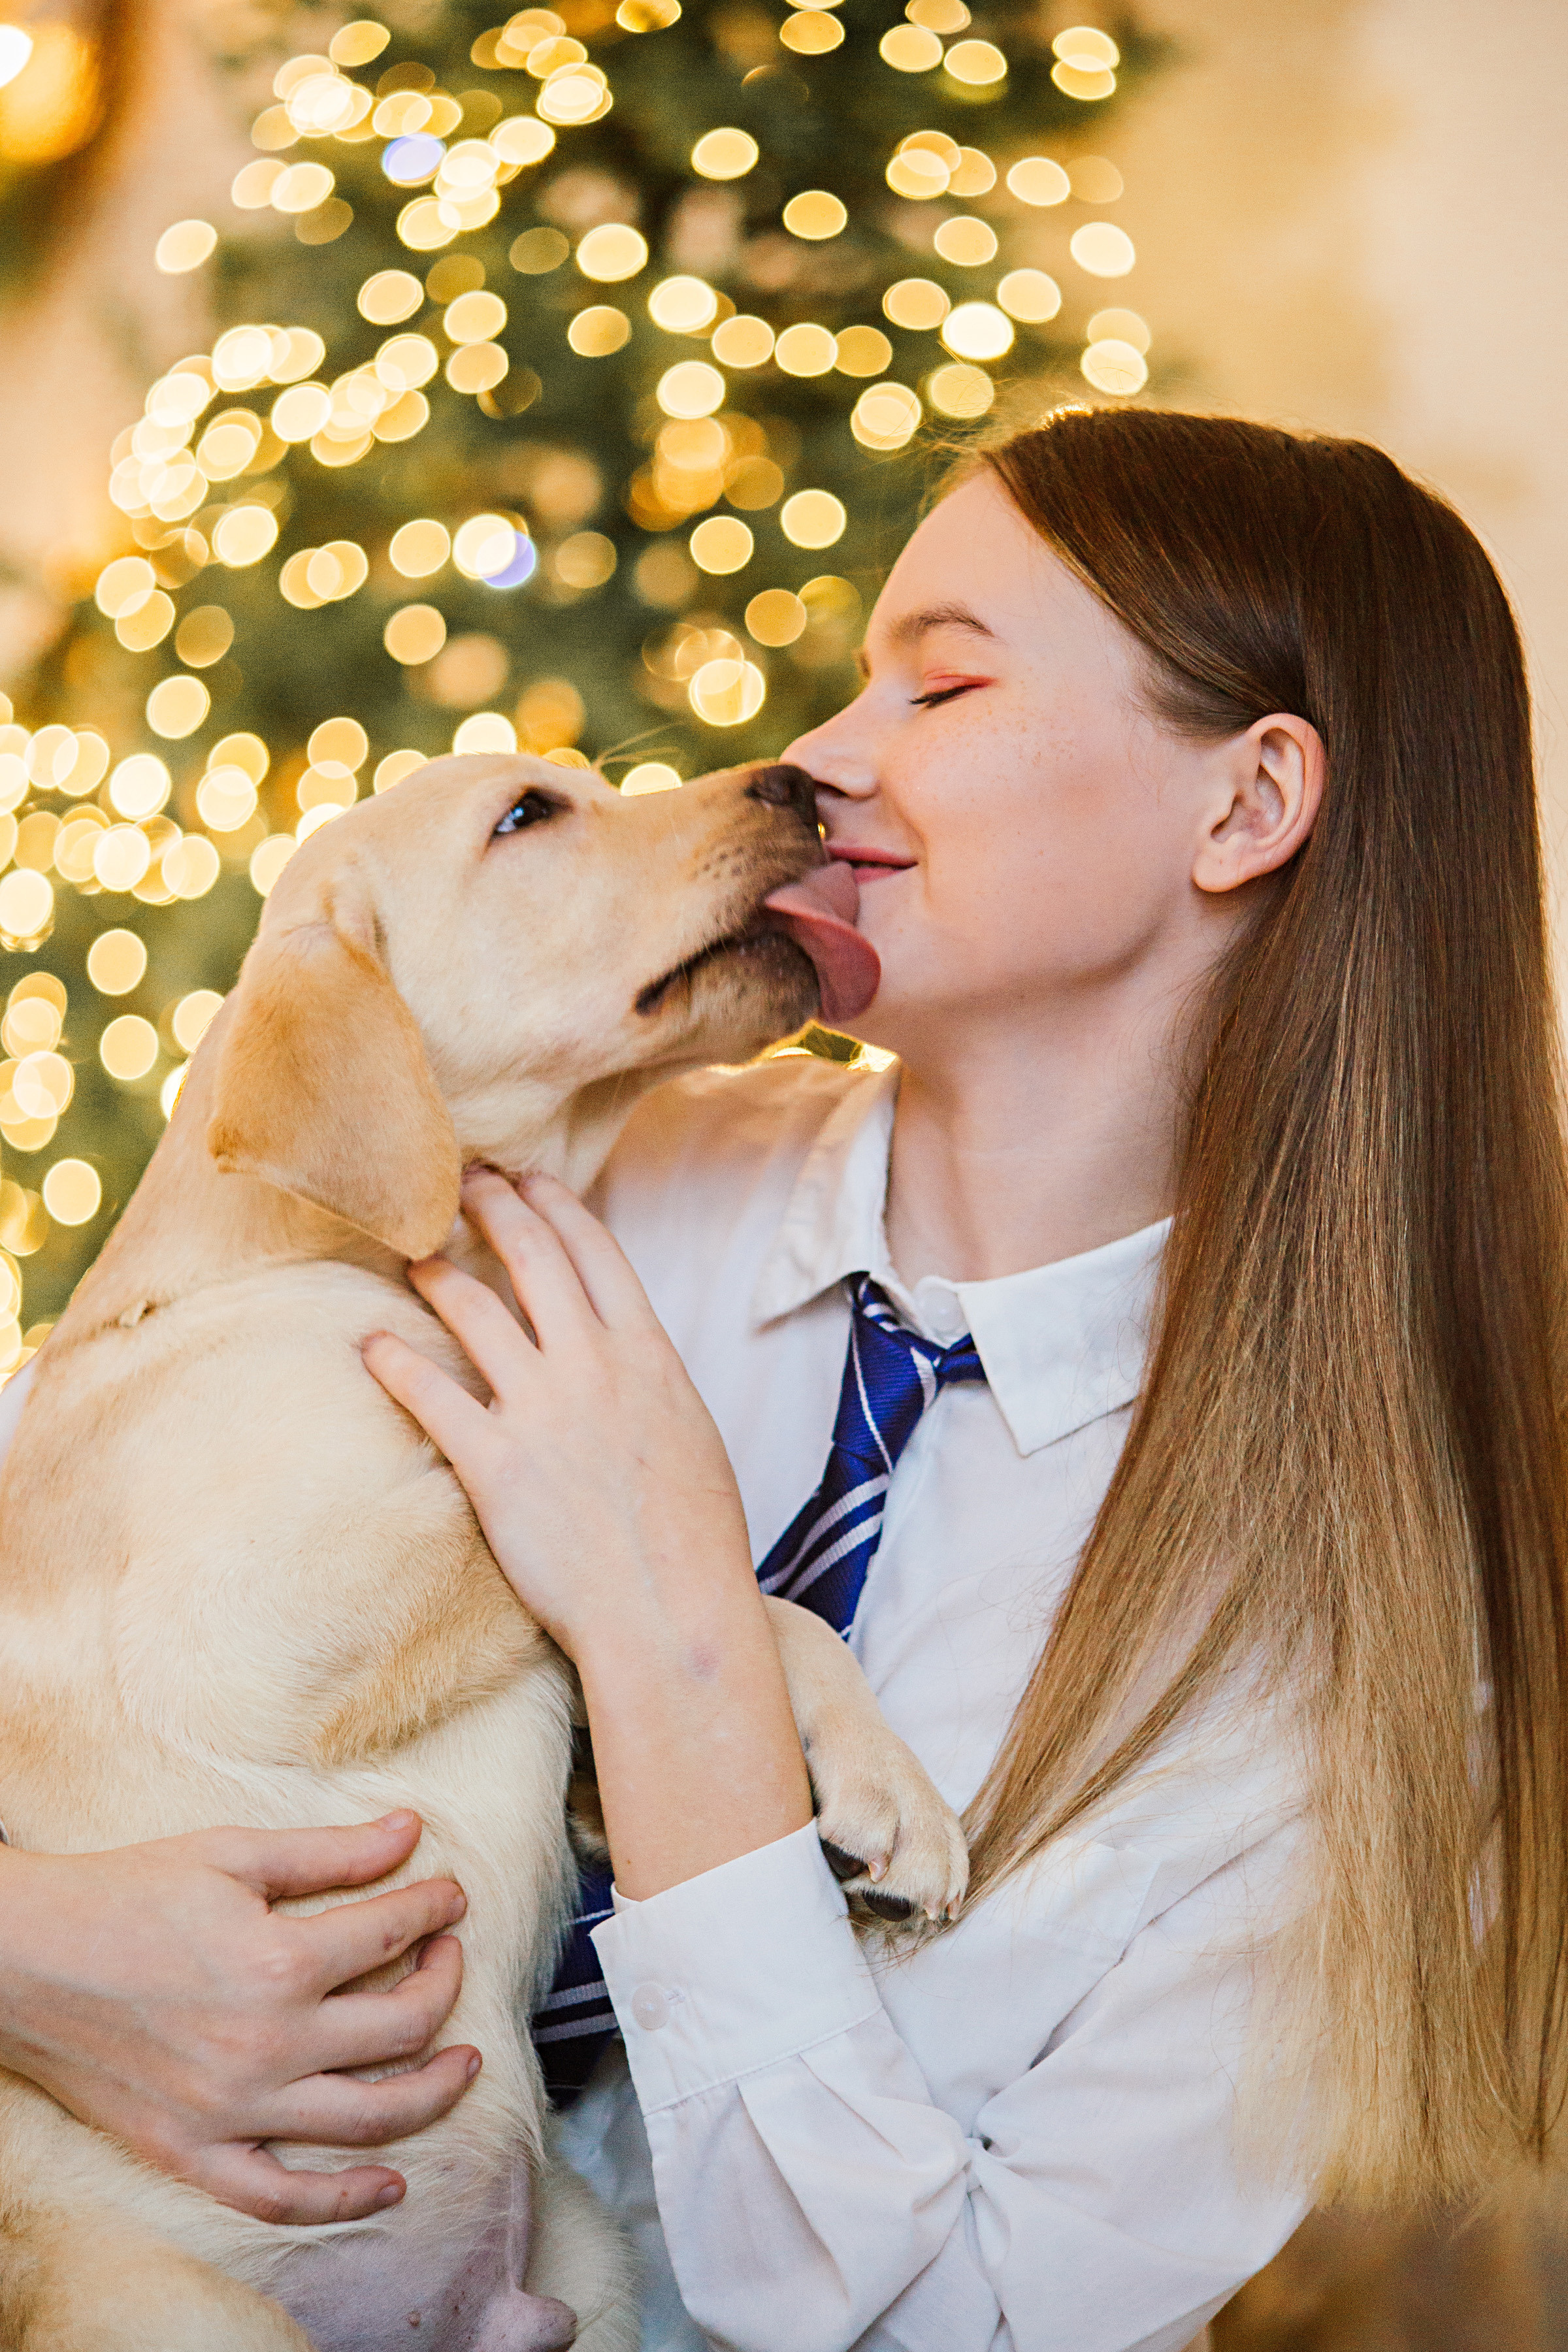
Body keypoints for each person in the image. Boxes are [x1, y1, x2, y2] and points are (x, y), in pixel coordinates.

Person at [4, 406, 1566, 2349]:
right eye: (858, 677)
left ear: (1244, 810)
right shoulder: (559, 1138)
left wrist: (679, 1655)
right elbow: (76, 1528)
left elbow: (981, 2326)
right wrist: (31, 1953)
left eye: (947, 680)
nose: (819, 757)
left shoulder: (1358, 1665)